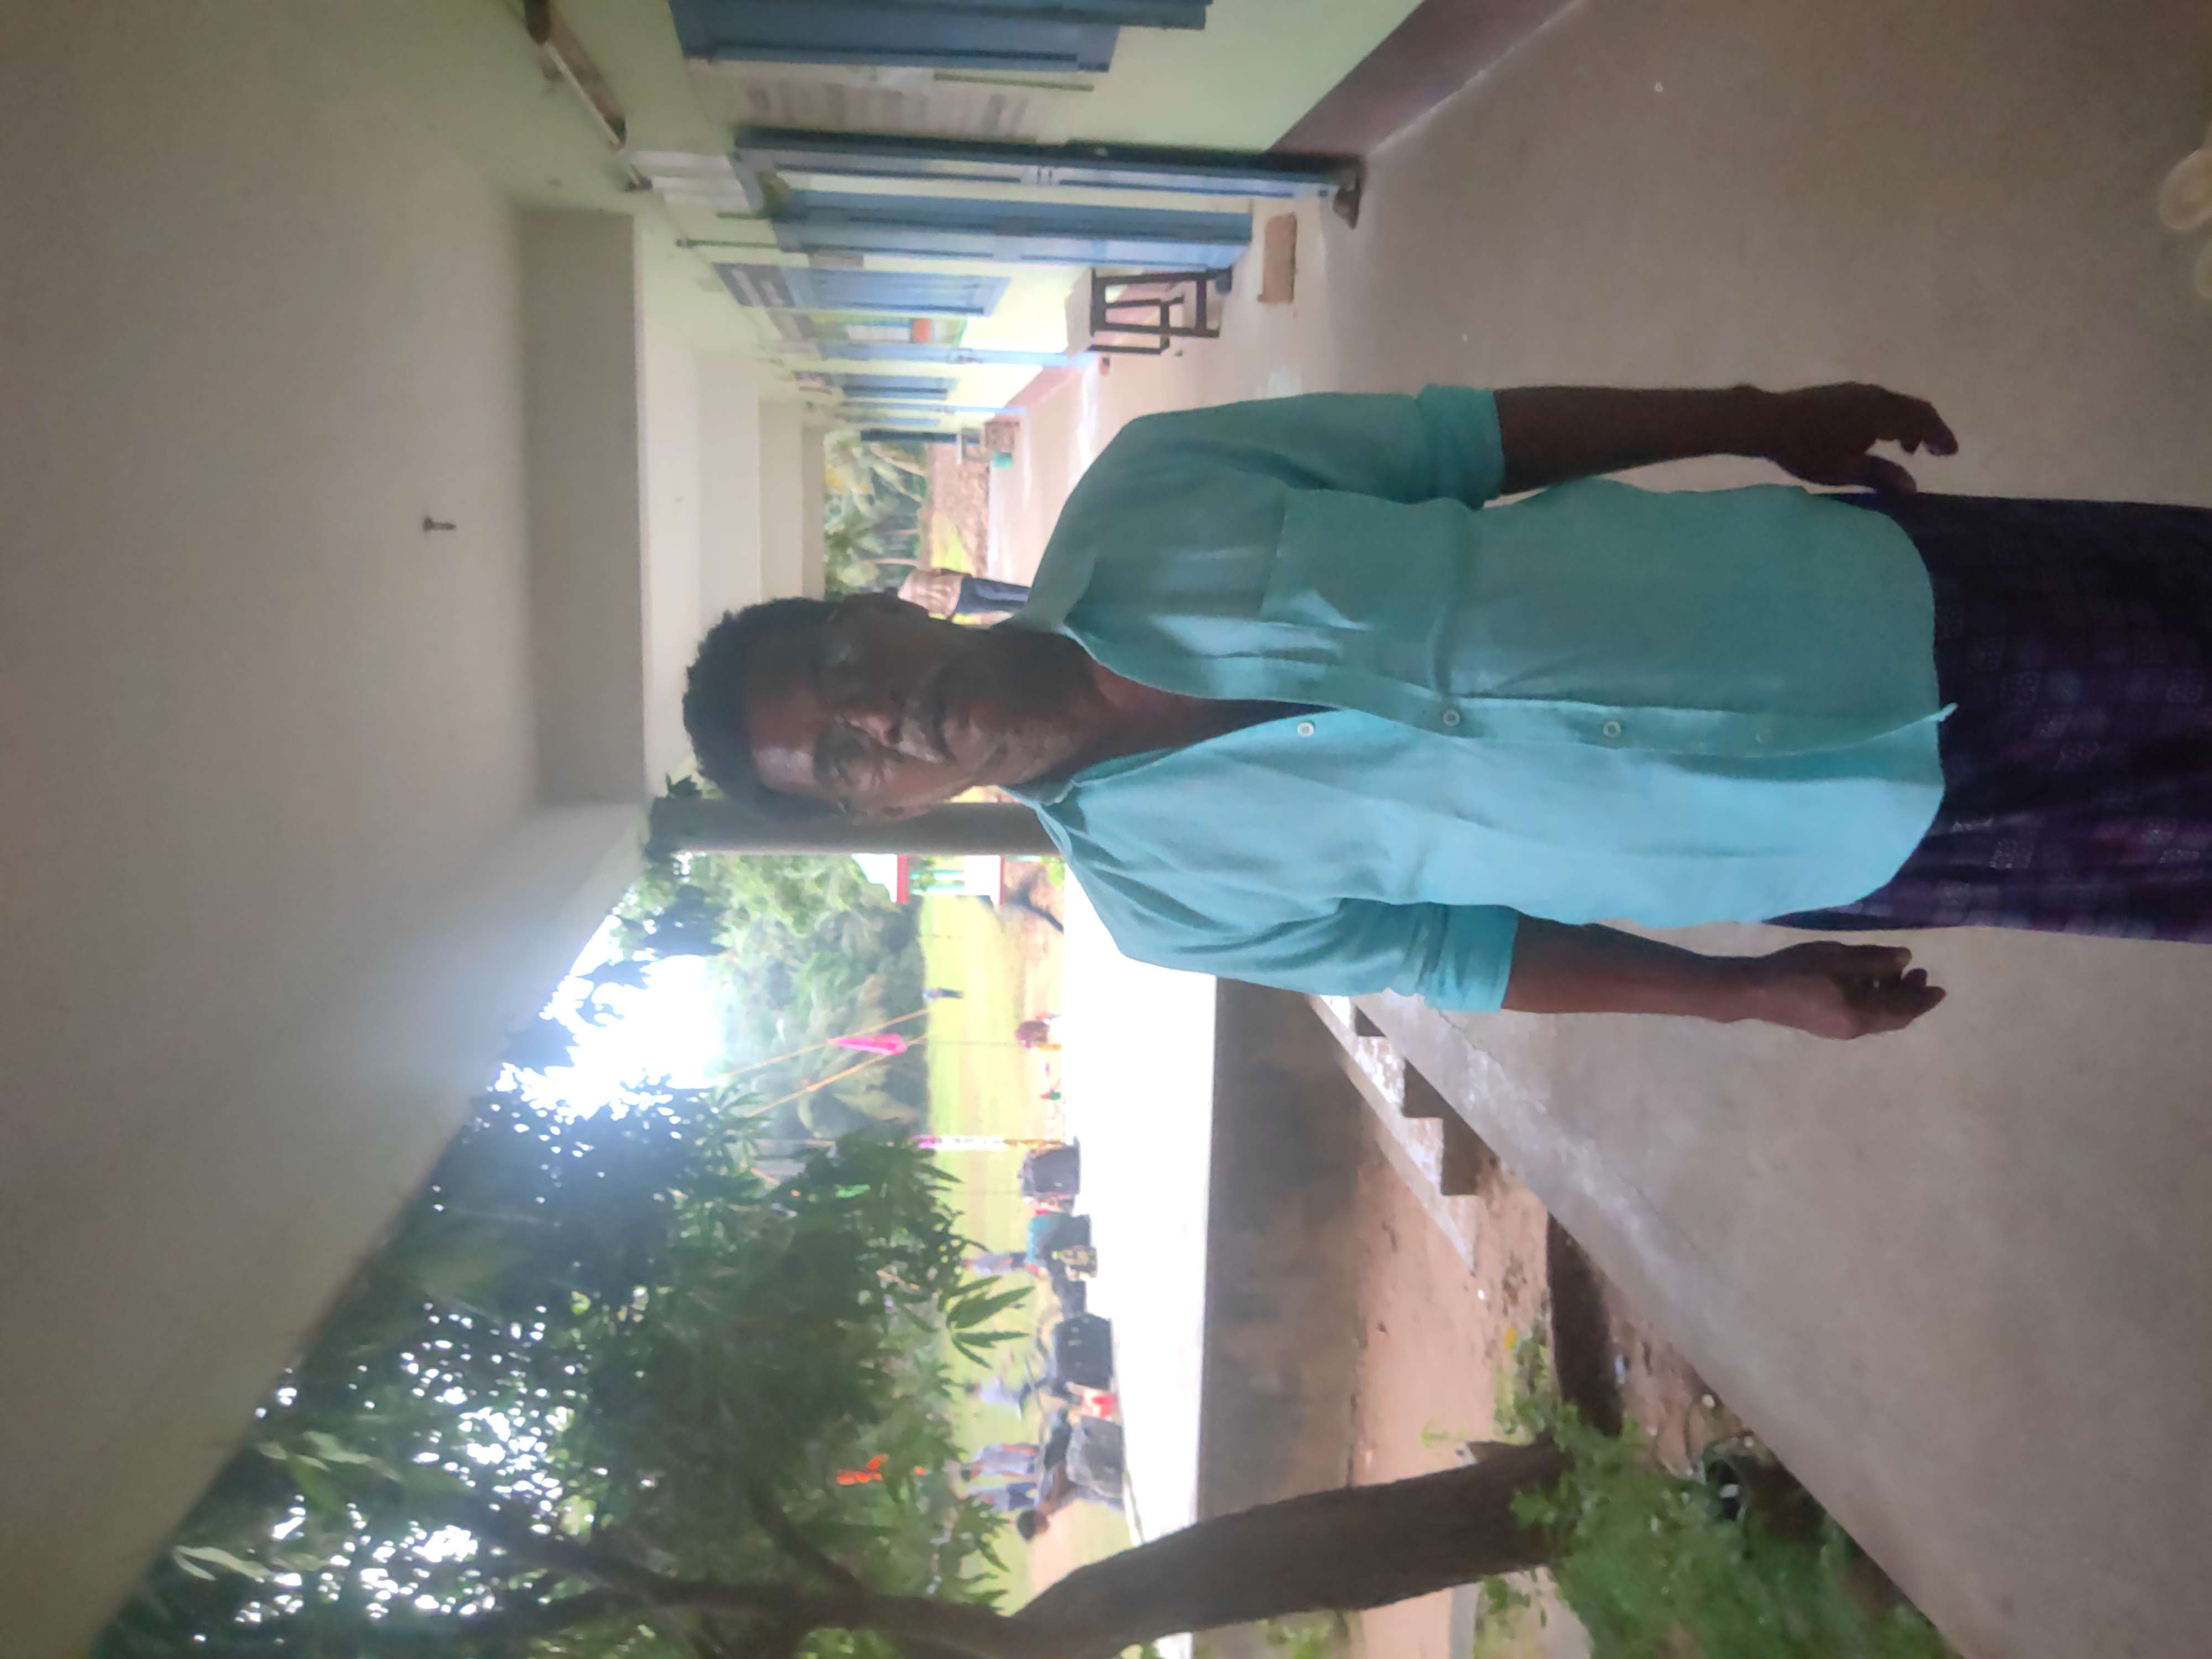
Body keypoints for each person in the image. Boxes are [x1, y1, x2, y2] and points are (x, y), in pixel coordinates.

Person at [682, 383, 2212, 1039]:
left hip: (1874, 597)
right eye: (842, 757)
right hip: (1852, 840)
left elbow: (1465, 440)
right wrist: (1739, 996)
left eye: (844, 660)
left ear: (882, 603)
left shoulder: (1154, 485)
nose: (881, 713)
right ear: (882, 815)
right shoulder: (1167, 905)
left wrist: (1754, 417)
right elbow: (1462, 955)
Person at [899, 566, 1033, 619]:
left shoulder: (908, 608)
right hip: (961, 584)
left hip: (960, 605)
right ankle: (1038, 594)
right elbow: (941, 571)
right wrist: (962, 575)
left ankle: (1035, 610)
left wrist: (950, 614)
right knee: (1004, 591)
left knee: (1003, 607)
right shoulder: (913, 577)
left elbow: (930, 616)